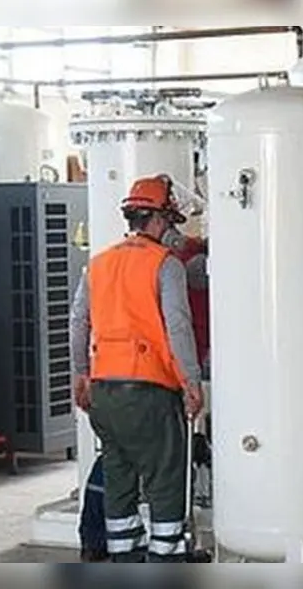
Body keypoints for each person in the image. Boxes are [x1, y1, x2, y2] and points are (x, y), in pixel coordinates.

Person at [69, 174, 204, 563]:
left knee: (119, 482)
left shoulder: (98, 264)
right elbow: (178, 326)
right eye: (172, 223)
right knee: (165, 482)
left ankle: (124, 561)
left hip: (105, 394)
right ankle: (165, 561)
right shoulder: (165, 265)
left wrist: (82, 375)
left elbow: (78, 322)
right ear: (160, 220)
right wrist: (191, 383)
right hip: (149, 393)